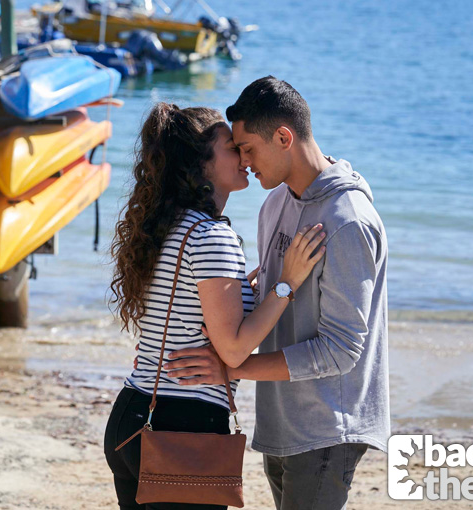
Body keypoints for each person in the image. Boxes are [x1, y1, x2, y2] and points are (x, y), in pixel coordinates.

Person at [165, 76, 391, 510]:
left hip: (329, 427)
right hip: (281, 421)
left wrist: (233, 368)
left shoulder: (348, 221)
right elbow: (277, 306)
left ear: (284, 138)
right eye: (236, 150)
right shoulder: (275, 204)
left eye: (248, 148)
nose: (243, 161)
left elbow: (342, 350)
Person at [104, 102, 326, 510]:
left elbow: (184, 311)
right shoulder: (211, 236)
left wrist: (245, 292)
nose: (244, 156)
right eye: (231, 148)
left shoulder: (168, 227)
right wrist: (287, 283)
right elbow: (234, 350)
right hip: (182, 424)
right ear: (201, 164)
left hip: (133, 414)